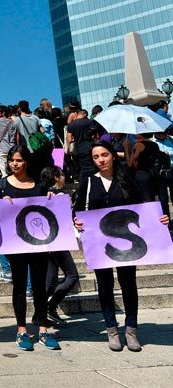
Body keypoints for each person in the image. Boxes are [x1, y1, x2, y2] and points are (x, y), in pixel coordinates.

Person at [73, 141, 169, 352]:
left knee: (128, 284)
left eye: (104, 155)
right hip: (101, 244)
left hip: (127, 244)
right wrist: (76, 221)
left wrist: (159, 220)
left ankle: (131, 329)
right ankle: (112, 330)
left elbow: (144, 207)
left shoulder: (127, 178)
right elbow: (78, 209)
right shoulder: (88, 182)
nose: (101, 160)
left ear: (112, 156)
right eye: (96, 157)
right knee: (105, 286)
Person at [0, 145, 60, 351]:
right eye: (12, 160)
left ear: (26, 163)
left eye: (19, 160)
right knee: (20, 286)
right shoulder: (3, 184)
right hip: (16, 244)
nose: (15, 163)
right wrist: (2, 205)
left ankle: (42, 329)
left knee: (39, 286)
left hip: (38, 243)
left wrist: (51, 198)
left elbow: (48, 210)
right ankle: (21, 330)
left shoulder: (38, 185)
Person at [38, 166, 78, 325]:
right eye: (62, 174)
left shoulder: (43, 195)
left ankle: (39, 313)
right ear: (55, 178)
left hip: (47, 241)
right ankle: (50, 306)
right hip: (58, 241)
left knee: (51, 280)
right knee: (72, 275)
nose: (64, 177)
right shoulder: (59, 196)